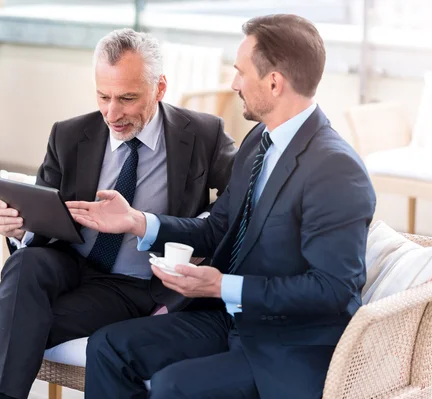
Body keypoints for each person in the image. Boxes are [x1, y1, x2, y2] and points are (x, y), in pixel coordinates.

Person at [68, 14, 377, 399]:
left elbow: (333, 291)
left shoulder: (335, 169)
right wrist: (137, 222)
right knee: (109, 346)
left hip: (286, 343)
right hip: (227, 318)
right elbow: (217, 228)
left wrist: (222, 285)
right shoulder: (259, 142)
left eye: (240, 71)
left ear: (274, 83)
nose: (233, 84)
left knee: (172, 386)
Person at [0, 28, 237, 399]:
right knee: (23, 265)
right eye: (103, 96)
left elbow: (241, 198)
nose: (112, 113)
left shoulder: (203, 135)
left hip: (131, 285)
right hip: (67, 261)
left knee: (17, 324)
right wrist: (20, 228)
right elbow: (42, 213)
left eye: (127, 98)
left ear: (159, 88)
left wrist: (198, 231)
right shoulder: (68, 135)